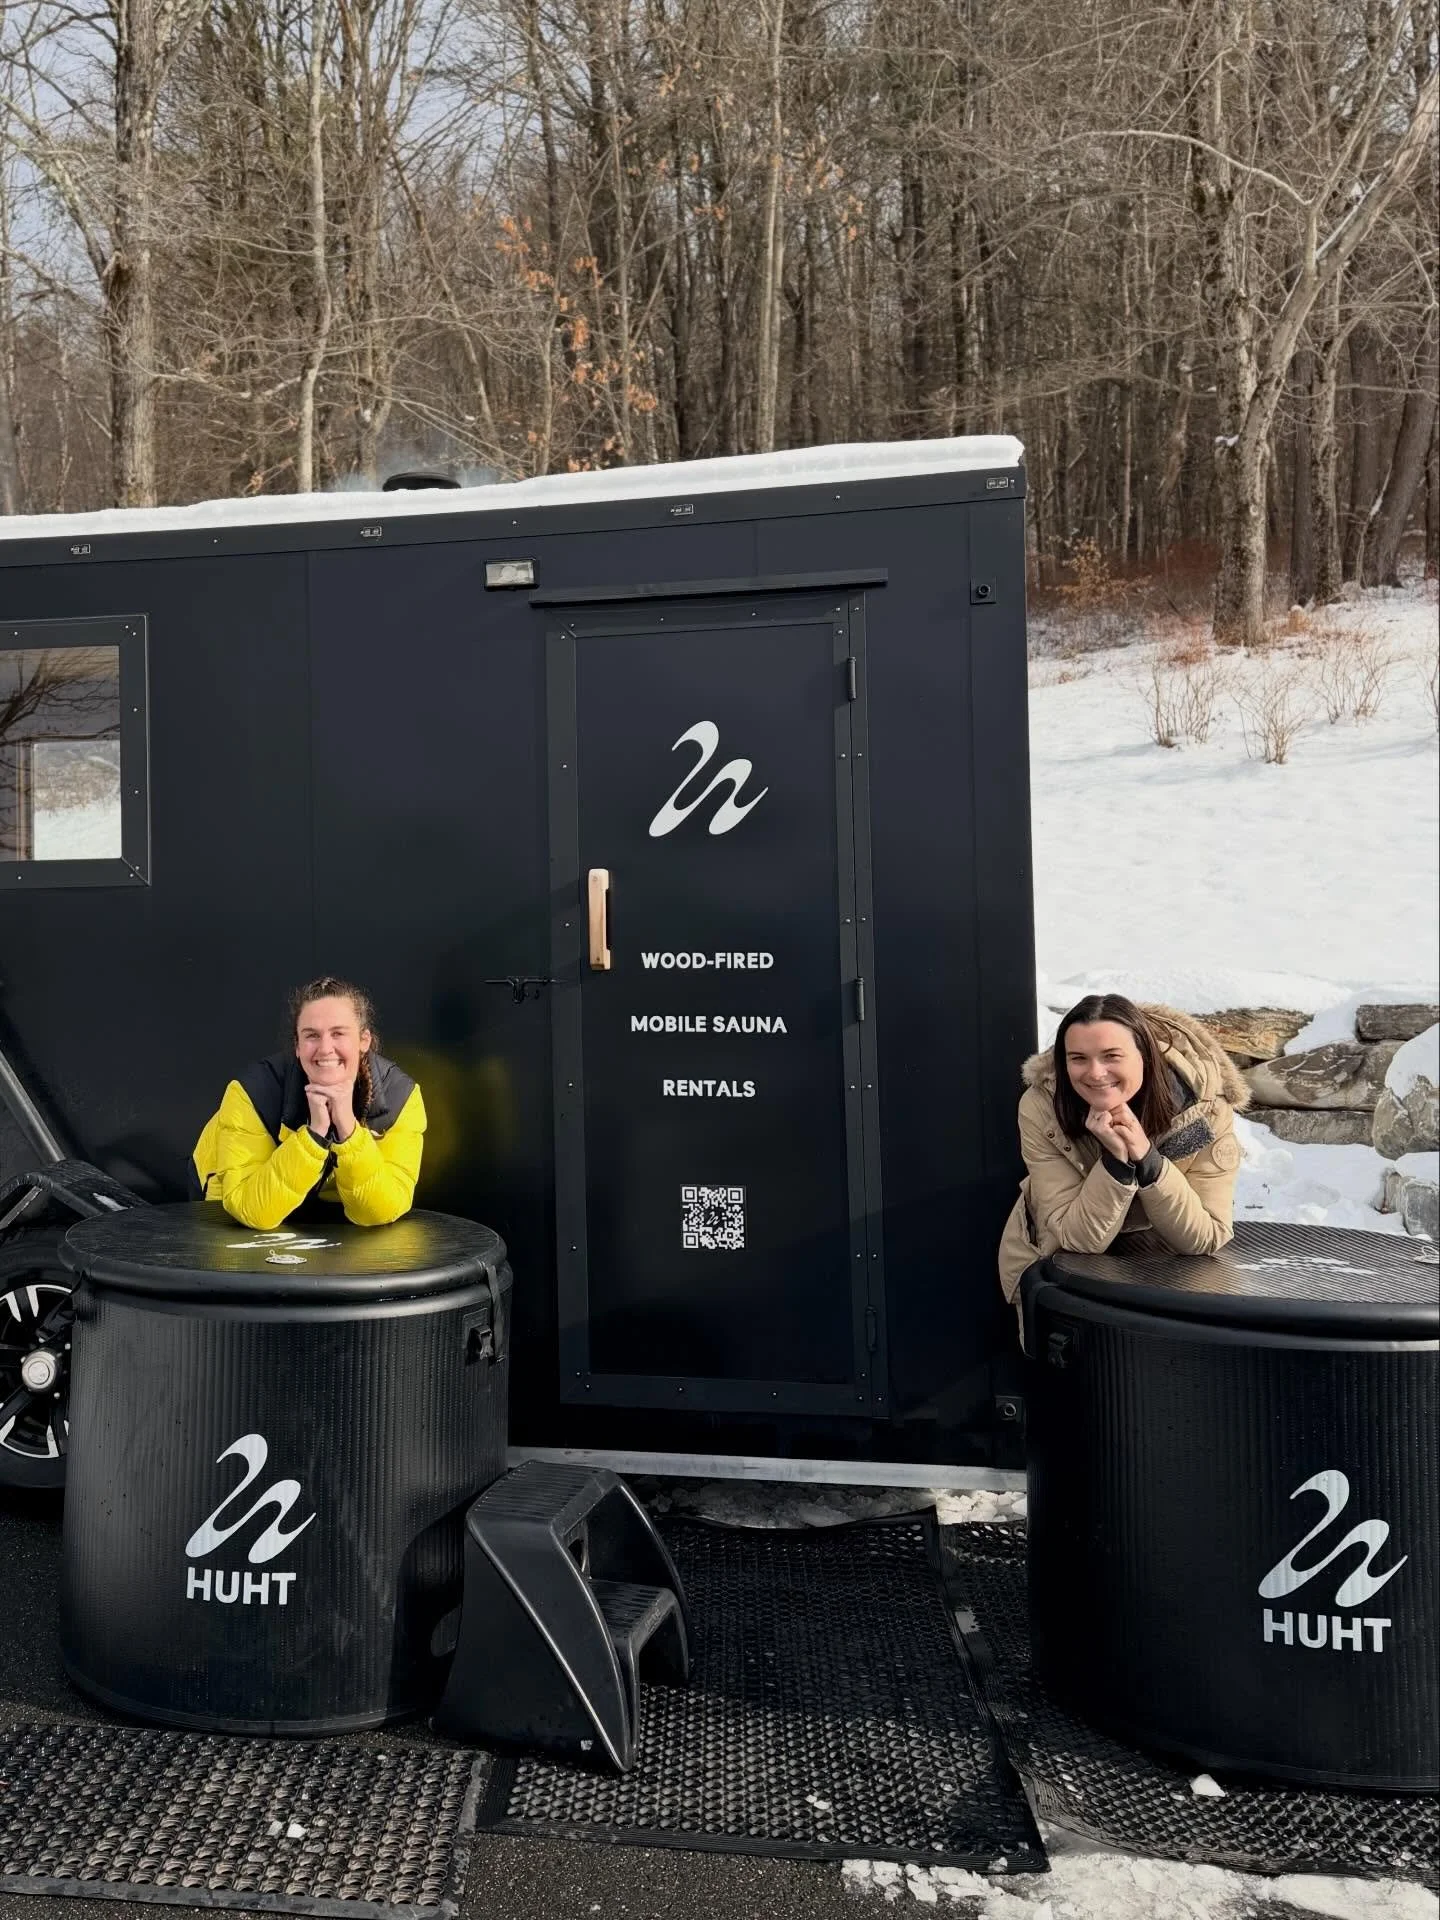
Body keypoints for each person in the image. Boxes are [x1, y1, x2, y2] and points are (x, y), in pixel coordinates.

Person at [997, 994, 1248, 1316]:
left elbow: (1205, 1237)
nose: (1095, 1073)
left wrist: (1148, 1160)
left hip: (1168, 1277)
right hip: (1058, 1274)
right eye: (1078, 1058)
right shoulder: (1042, 1106)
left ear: (1145, 1055)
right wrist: (1116, 1164)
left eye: (1111, 1056)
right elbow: (1078, 1240)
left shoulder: (1205, 1109)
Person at [190, 976, 426, 1230]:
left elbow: (382, 1210)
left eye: (338, 1033)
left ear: (363, 1041)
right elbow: (251, 1209)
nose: (325, 1048)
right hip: (229, 1195)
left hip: (326, 1204)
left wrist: (347, 1130)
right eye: (312, 1035)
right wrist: (314, 1136)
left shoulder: (400, 1097)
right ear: (298, 1046)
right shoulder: (252, 1092)